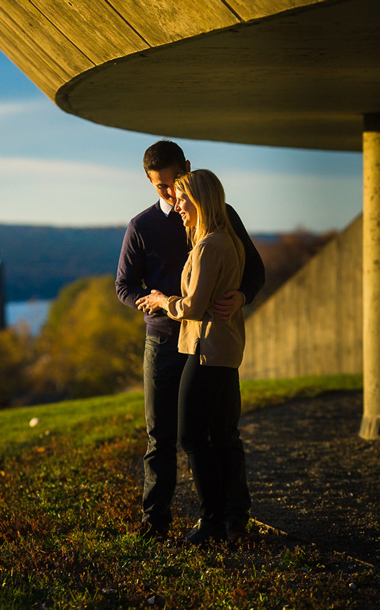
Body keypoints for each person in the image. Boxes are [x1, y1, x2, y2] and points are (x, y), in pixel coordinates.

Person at [115, 140, 264, 543]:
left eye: (172, 183)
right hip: (164, 342)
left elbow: (254, 271)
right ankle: (156, 520)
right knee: (161, 434)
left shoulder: (219, 218)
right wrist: (156, 305)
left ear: (187, 170)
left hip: (209, 342)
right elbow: (124, 286)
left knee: (222, 432)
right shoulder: (141, 226)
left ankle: (233, 518)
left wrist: (243, 295)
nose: (167, 193)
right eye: (158, 185)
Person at [137, 169, 247, 544]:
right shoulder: (223, 240)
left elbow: (194, 306)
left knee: (191, 437)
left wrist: (159, 300)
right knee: (215, 436)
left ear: (199, 200)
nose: (178, 205)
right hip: (218, 349)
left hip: (206, 351)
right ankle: (223, 521)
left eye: (182, 198)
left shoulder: (209, 245)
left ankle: (212, 523)